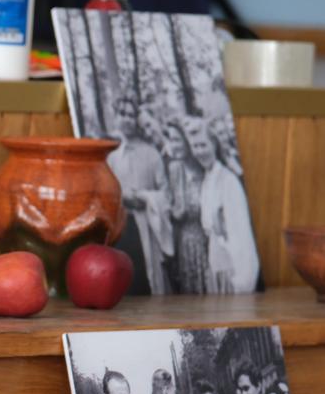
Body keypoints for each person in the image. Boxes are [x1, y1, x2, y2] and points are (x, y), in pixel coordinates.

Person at [186, 120, 260, 293]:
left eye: (203, 145)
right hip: (215, 262)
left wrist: (241, 280)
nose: (199, 151)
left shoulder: (228, 181)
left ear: (214, 144)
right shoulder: (207, 179)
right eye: (195, 146)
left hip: (232, 267)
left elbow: (240, 234)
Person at [107, 96, 170, 295]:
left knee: (147, 275)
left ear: (137, 119)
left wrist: (144, 197)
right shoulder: (111, 155)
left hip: (146, 224)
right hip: (121, 226)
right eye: (122, 114)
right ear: (116, 117)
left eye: (131, 115)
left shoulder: (151, 154)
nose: (126, 119)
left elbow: (166, 193)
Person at [161, 120, 208, 293]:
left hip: (210, 244)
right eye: (170, 140)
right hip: (184, 246)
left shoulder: (205, 167)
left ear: (188, 140)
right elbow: (175, 211)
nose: (173, 145)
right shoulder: (173, 169)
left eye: (177, 140)